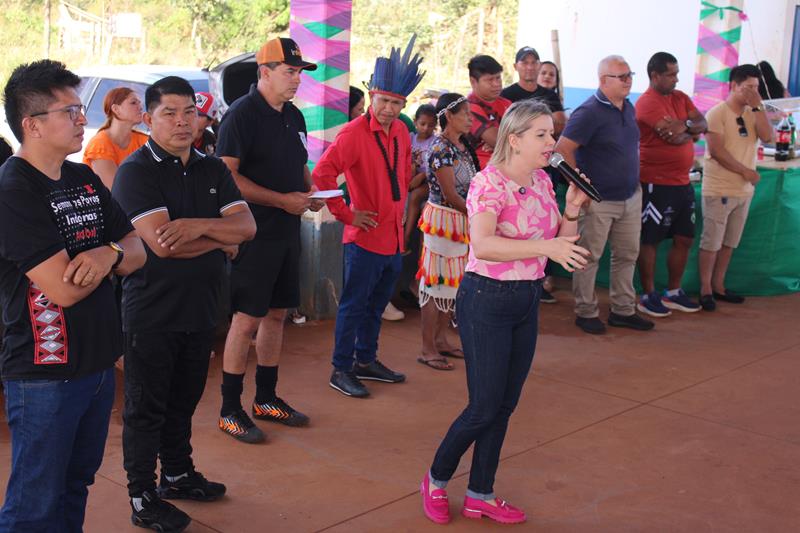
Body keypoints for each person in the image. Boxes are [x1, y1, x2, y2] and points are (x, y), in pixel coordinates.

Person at [420, 100, 591, 525]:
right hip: (487, 299)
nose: (552, 143)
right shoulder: (488, 183)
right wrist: (547, 247)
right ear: (514, 140)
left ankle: (481, 492)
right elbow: (484, 245)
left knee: (505, 405)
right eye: (542, 136)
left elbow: (559, 244)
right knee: (483, 406)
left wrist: (571, 209)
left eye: (551, 134)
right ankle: (437, 479)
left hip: (525, 299)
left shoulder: (544, 182)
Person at [0, 59, 145, 531]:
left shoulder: (81, 178)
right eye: (71, 111)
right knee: (34, 501)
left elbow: (137, 249)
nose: (83, 119)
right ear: (32, 124)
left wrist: (106, 256)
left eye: (80, 109)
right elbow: (63, 287)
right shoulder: (13, 189)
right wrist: (112, 253)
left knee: (75, 484)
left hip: (98, 364)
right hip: (44, 373)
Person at [112, 76, 256, 531]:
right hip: (153, 312)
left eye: (188, 112)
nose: (181, 122)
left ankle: (176, 472)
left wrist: (194, 227)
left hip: (202, 308)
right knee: (145, 407)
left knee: (184, 399)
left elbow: (247, 227)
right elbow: (160, 245)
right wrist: (218, 237)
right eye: (169, 113)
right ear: (148, 117)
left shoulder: (212, 168)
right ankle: (141, 494)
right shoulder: (136, 171)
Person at [215, 37, 321, 443]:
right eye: (289, 72)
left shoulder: (294, 115)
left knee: (277, 313)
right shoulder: (242, 115)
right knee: (246, 320)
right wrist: (282, 200)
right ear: (265, 72)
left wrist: (309, 193)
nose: (296, 80)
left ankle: (266, 398)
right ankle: (229, 409)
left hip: (287, 230)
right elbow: (227, 177)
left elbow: (299, 165)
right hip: (252, 230)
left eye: (299, 72)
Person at [312, 35, 424, 398]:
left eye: (396, 103)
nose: (389, 109)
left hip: (391, 238)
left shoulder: (403, 133)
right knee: (354, 306)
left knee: (376, 305)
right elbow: (322, 175)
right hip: (364, 239)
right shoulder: (352, 134)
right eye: (384, 101)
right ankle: (341, 368)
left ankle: (366, 360)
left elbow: (403, 175)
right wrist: (346, 214)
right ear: (371, 96)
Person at [555, 55, 654, 334]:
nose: (628, 80)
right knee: (588, 256)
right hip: (598, 199)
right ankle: (585, 311)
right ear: (602, 81)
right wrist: (580, 189)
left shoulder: (628, 107)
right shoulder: (589, 112)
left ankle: (623, 309)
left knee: (627, 255)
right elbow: (562, 149)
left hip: (629, 196)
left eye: (629, 75)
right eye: (621, 76)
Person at [635, 52, 708, 317]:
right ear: (655, 76)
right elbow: (677, 138)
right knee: (650, 239)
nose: (676, 79)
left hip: (682, 182)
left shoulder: (680, 98)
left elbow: (703, 122)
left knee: (684, 238)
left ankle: (674, 292)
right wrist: (692, 131)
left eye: (677, 73)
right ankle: (648, 294)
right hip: (655, 182)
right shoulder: (646, 103)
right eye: (671, 74)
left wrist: (686, 126)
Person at [698, 64, 773, 311]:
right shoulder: (716, 113)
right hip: (719, 188)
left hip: (744, 191)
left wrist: (758, 105)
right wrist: (745, 171)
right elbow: (717, 151)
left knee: (730, 242)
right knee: (712, 242)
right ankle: (705, 289)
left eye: (756, 88)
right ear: (733, 86)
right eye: (747, 87)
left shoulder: (753, 112)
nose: (752, 92)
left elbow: (768, 136)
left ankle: (719, 285)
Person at [415, 93, 479, 371]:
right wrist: (479, 214)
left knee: (451, 283)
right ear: (449, 117)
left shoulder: (461, 145)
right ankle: (428, 347)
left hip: (459, 221)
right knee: (435, 283)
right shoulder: (441, 148)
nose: (470, 118)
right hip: (445, 221)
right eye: (465, 113)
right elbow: (451, 195)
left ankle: (440, 340)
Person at [82, 87, 148, 188]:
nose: (140, 107)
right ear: (116, 109)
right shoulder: (100, 144)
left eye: (139, 103)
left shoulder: (143, 140)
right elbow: (115, 190)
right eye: (133, 103)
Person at [501, 47, 566, 136]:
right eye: (525, 63)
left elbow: (559, 125)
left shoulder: (550, 95)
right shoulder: (505, 94)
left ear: (539, 65)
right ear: (515, 66)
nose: (530, 67)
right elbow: (505, 128)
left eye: (534, 63)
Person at [466, 54, 511, 169]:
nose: (496, 84)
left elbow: (525, 134)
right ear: (473, 82)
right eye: (490, 80)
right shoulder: (468, 108)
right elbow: (496, 140)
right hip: (481, 173)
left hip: (509, 167)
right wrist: (504, 142)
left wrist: (503, 143)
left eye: (498, 78)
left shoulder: (507, 104)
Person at [404, 103, 437, 251]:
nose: (425, 128)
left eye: (430, 125)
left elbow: (435, 167)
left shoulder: (435, 142)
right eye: (422, 124)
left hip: (429, 181)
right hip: (410, 176)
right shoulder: (410, 138)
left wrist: (422, 175)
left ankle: (406, 237)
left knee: (416, 194)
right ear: (415, 122)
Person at [193, 91, 217, 155]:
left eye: (198, 114)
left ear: (210, 122)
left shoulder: (211, 139)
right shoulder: (176, 137)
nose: (192, 116)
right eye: (188, 112)